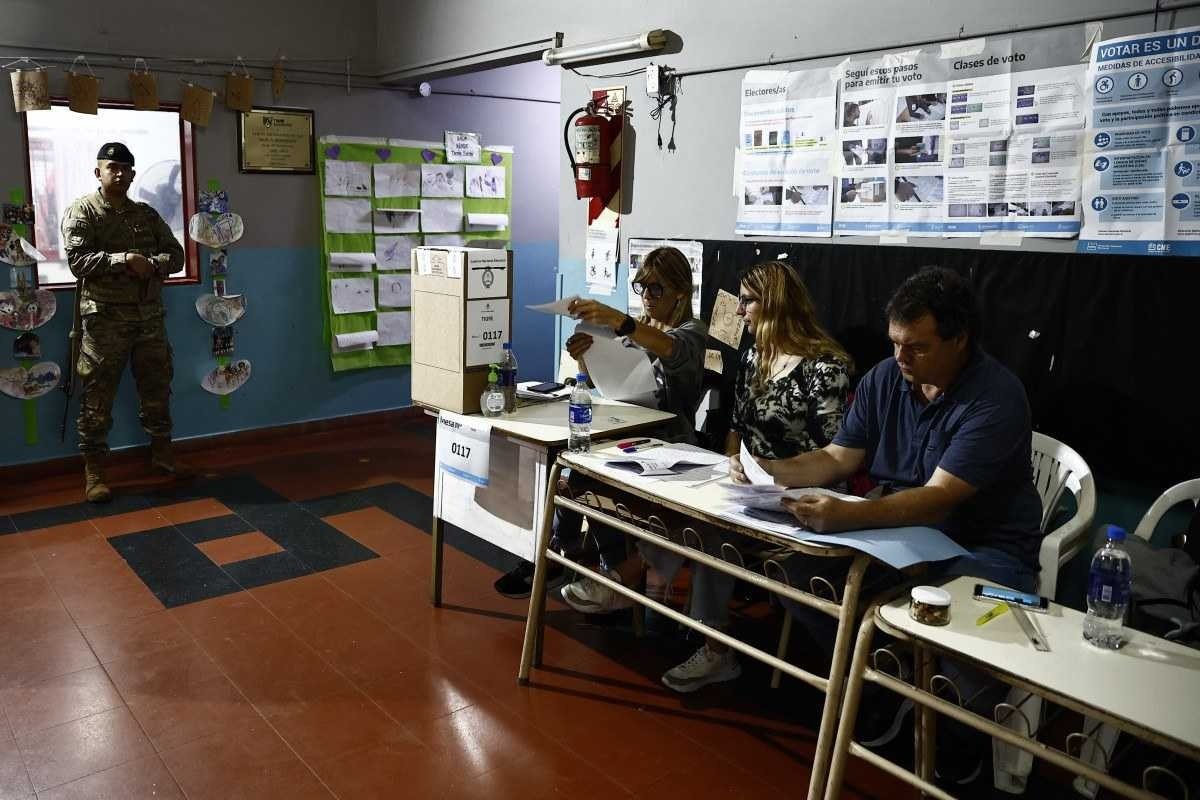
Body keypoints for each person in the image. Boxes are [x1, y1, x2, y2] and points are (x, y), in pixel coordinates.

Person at [734, 267, 1043, 781]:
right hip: (900, 533)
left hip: (982, 547)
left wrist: (848, 515)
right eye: (896, 343)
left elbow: (939, 500)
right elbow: (837, 457)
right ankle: (883, 685)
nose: (901, 357)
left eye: (917, 347)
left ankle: (959, 731)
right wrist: (767, 472)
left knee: (950, 623)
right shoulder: (886, 378)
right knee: (795, 576)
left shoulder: (995, 397)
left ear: (960, 340)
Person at [647, 261, 853, 693]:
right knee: (683, 509)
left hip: (801, 493)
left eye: (748, 301)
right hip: (752, 487)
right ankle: (654, 596)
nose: (739, 311)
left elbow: (833, 452)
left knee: (713, 531)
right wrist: (732, 464)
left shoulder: (826, 366)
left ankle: (712, 646)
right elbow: (736, 427)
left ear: (776, 304)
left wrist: (772, 474)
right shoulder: (755, 357)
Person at [494, 246, 707, 597]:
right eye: (642, 287)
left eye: (656, 289)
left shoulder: (691, 331)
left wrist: (620, 321)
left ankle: (590, 568)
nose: (647, 296)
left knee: (587, 477)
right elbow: (601, 382)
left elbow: (672, 349)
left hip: (668, 441)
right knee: (573, 470)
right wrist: (585, 356)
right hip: (626, 429)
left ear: (681, 293)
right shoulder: (637, 329)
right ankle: (565, 555)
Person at [62, 142, 188, 503]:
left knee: (157, 387)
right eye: (111, 167)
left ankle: (162, 453)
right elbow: (78, 262)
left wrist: (154, 264)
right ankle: (94, 472)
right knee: (97, 397)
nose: (119, 174)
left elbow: (176, 255)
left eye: (125, 169)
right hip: (104, 322)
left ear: (133, 174)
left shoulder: (145, 214)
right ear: (98, 172)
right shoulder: (83, 211)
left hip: (149, 319)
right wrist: (124, 259)